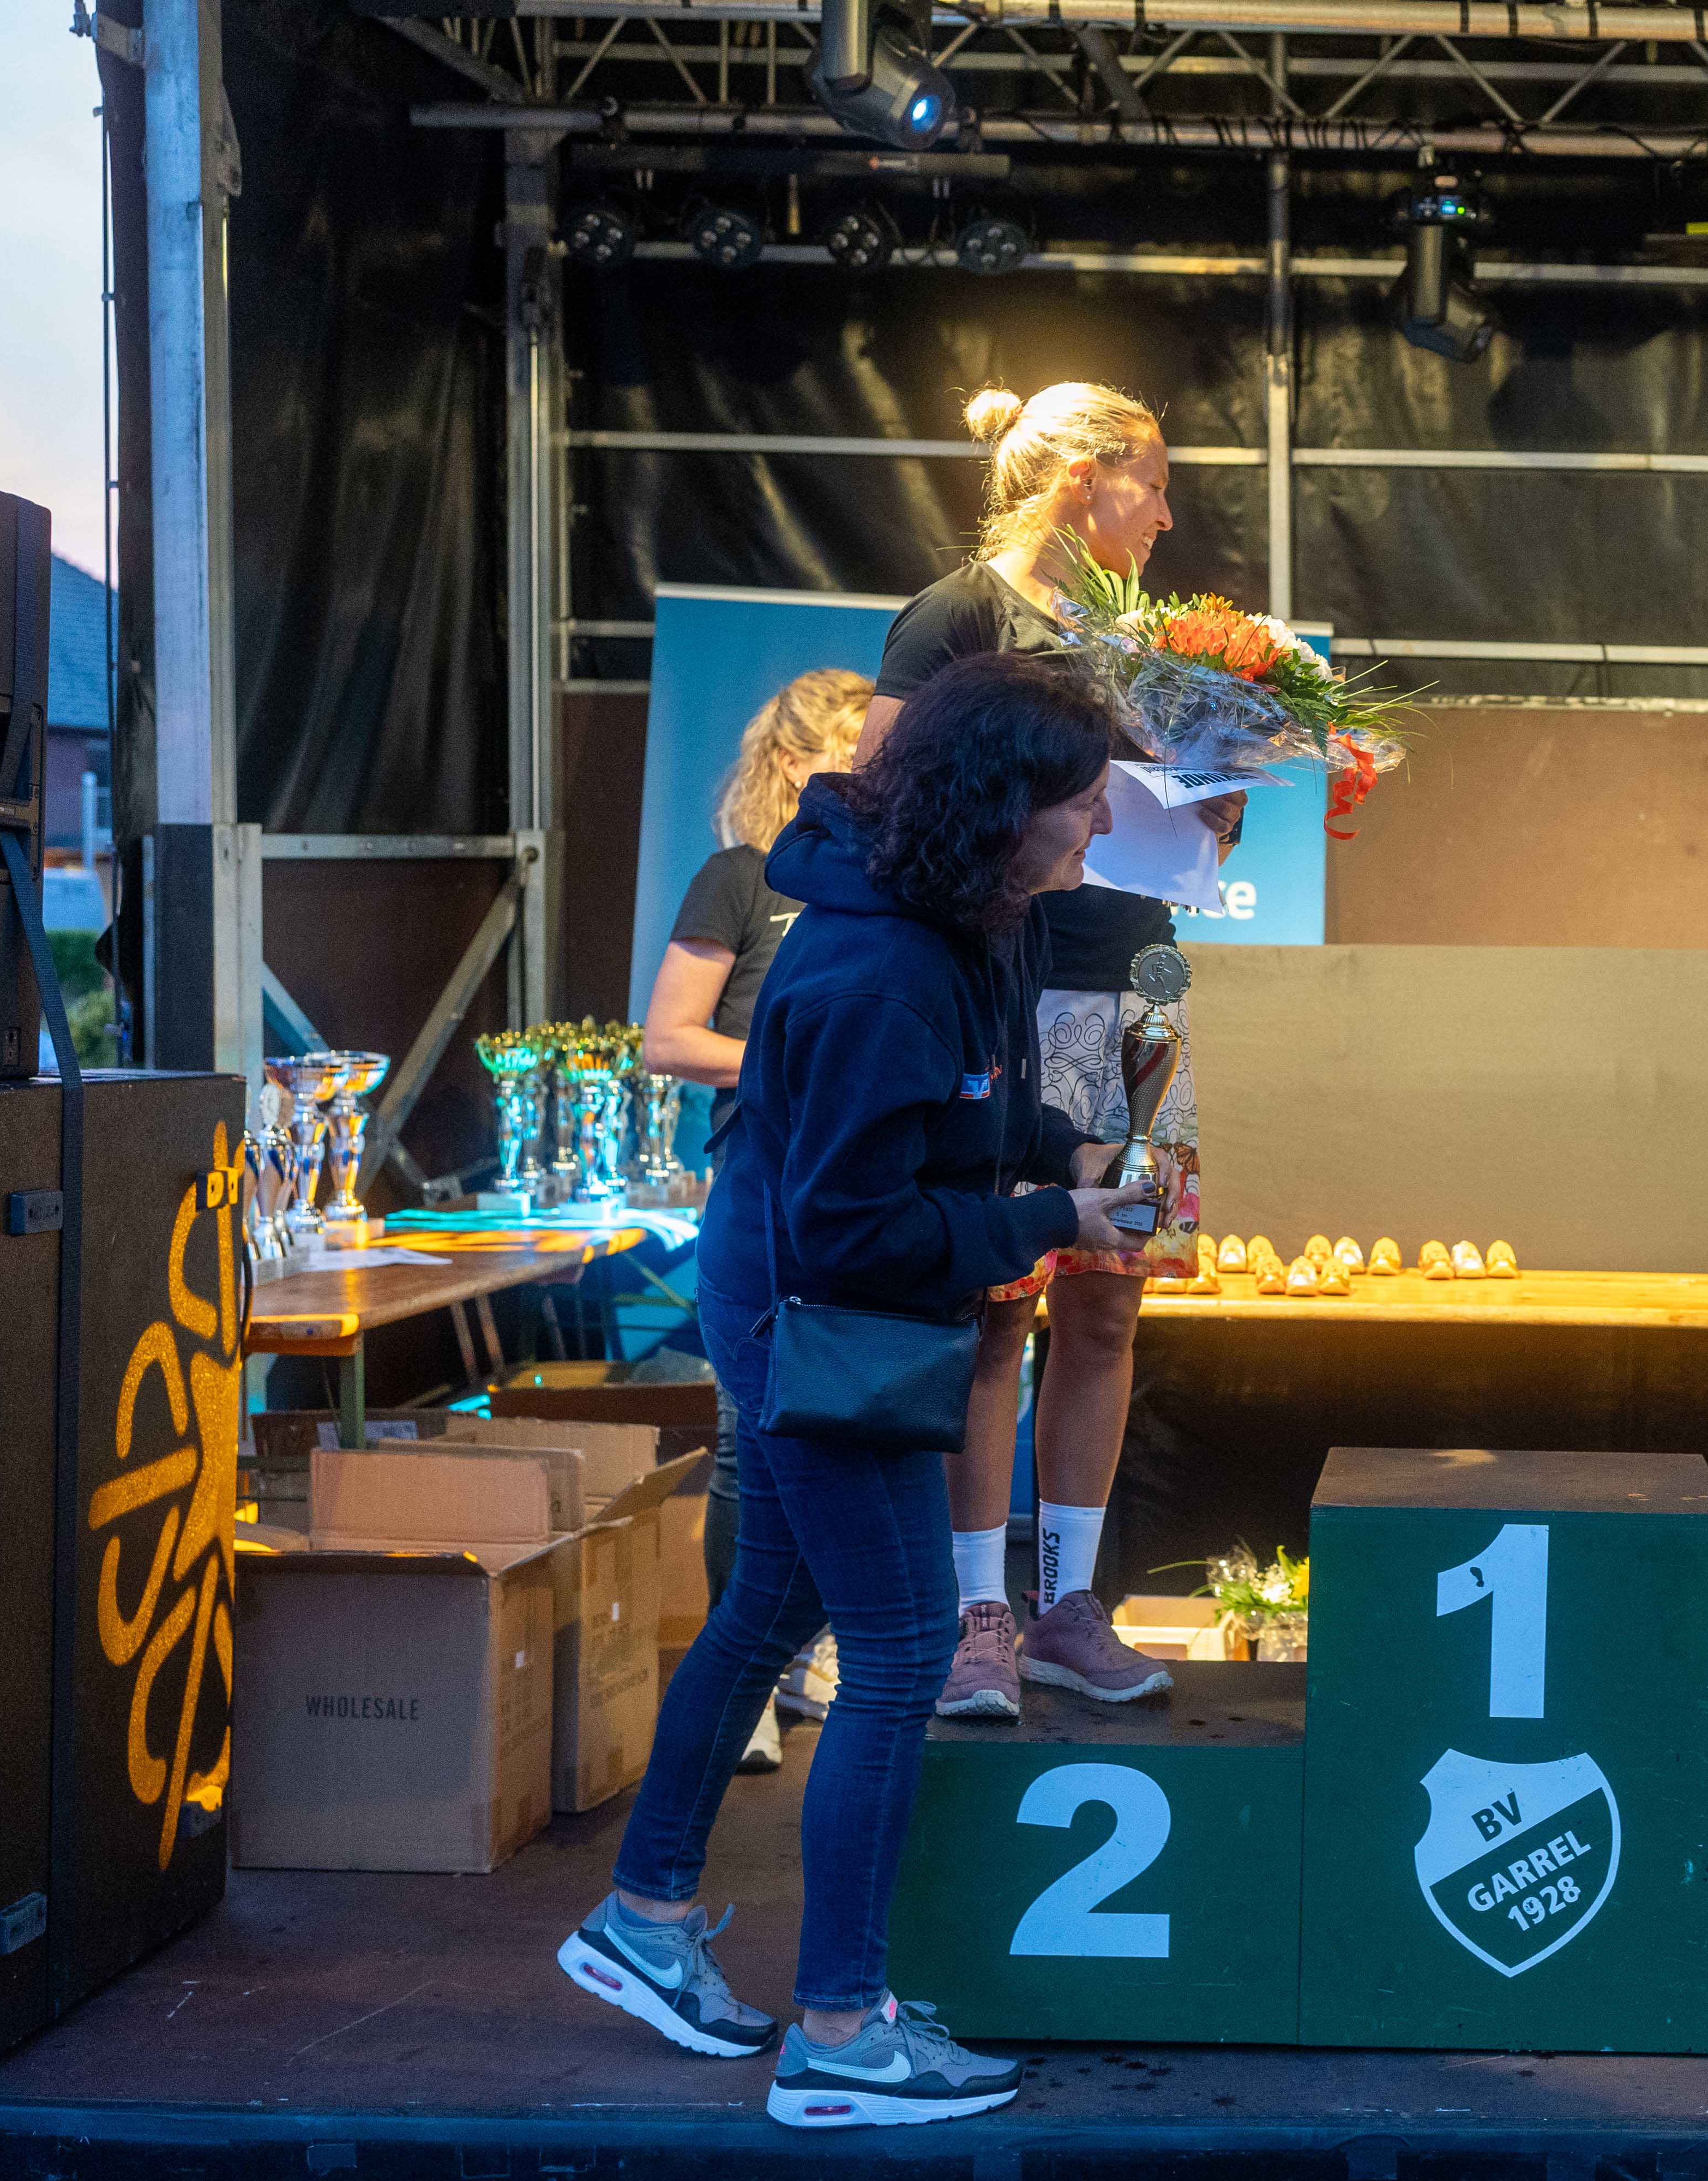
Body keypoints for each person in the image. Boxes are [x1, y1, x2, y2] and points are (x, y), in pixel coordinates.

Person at [558, 652, 1154, 2130]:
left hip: (808, 1298)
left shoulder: (961, 914)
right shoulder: (883, 967)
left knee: (770, 1606)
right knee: (899, 1653)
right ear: (1002, 804)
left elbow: (959, 1110)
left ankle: (644, 1912)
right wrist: (1052, 1218)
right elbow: (852, 1229)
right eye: (1084, 801)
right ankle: (840, 2031)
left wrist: (1062, 1146)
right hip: (817, 1316)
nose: (1101, 826)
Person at [862, 381, 1228, 1723]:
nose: (1167, 512)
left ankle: (1070, 1603)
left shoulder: (1143, 636)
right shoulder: (958, 614)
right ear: (1083, 479)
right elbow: (878, 793)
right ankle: (976, 1613)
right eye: (1154, 482)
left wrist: (1213, 800)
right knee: (995, 1301)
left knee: (1111, 1298)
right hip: (1010, 990)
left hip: (1138, 986)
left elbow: (1172, 800)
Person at [640, 666, 871, 1776]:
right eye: (853, 752)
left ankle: (807, 1654)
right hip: (764, 1183)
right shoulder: (739, 878)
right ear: (793, 764)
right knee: (751, 1439)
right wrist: (794, 1068)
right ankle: (750, 1677)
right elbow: (669, 1038)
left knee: (850, 1425)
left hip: (867, 1181)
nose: (875, 772)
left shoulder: (888, 886)